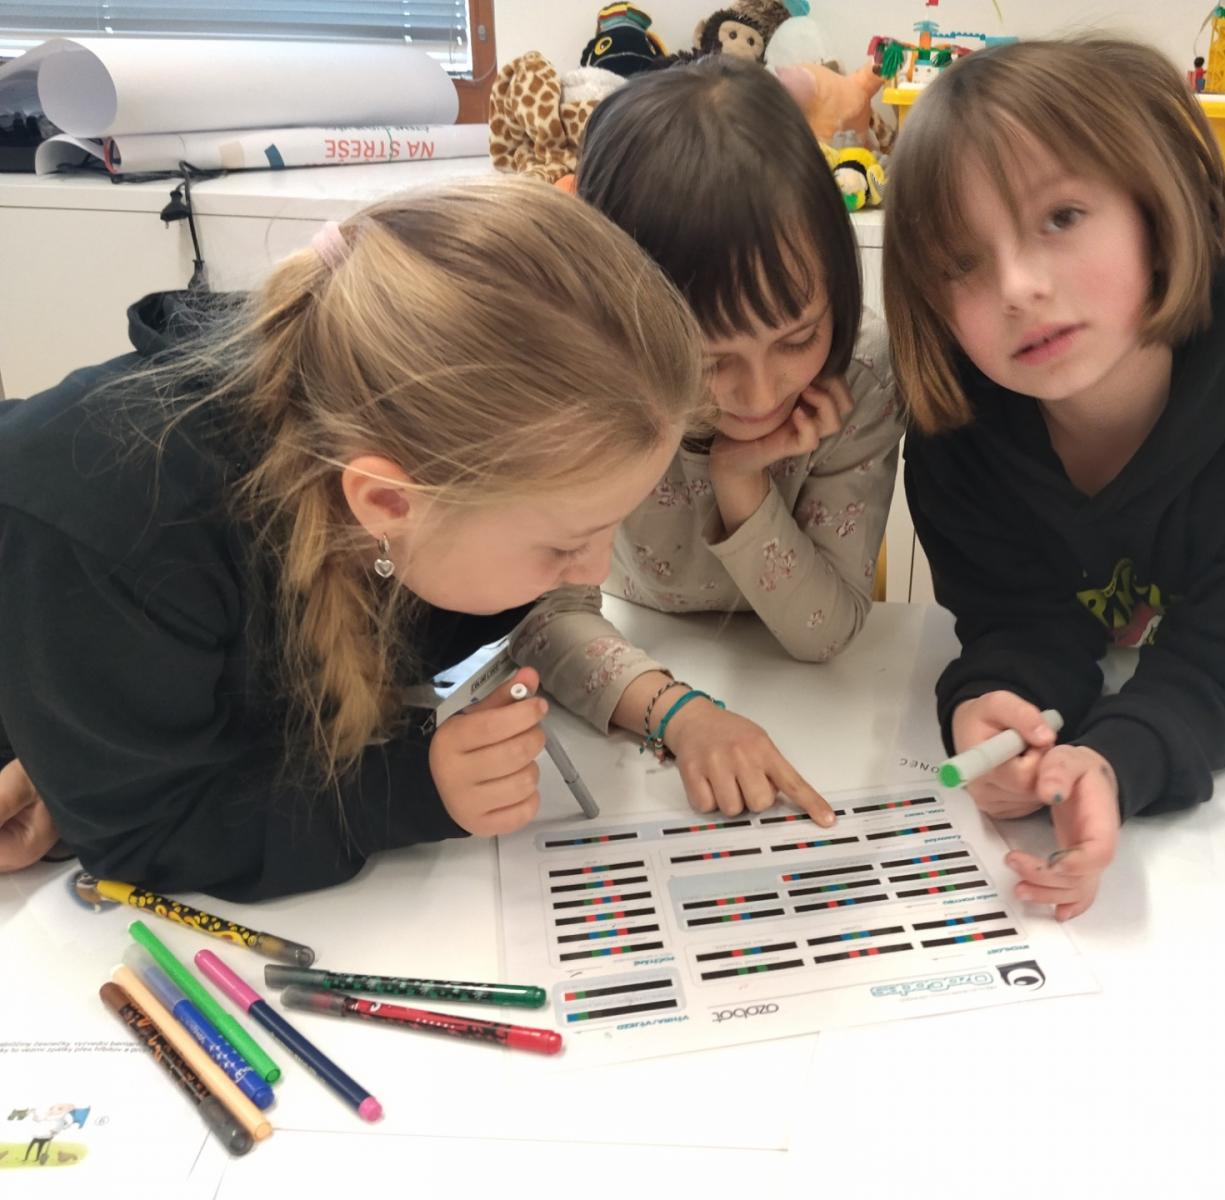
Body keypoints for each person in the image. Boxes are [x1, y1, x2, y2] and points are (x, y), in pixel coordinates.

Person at [0, 176, 706, 899]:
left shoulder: (378, 444)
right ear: (386, 502)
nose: (594, 570)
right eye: (564, 546)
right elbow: (151, 831)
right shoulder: (120, 533)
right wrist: (408, 791)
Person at [883, 38, 1225, 918]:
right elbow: (1019, 614)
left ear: (1154, 210)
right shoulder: (958, 438)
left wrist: (1120, 759)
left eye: (1061, 217)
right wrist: (995, 699)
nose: (1017, 286)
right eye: (961, 262)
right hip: (1125, 579)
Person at [515, 57, 902, 824]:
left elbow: (825, 633)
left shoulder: (859, 369)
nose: (759, 396)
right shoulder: (579, 371)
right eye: (709, 362)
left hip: (811, 688)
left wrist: (741, 478)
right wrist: (681, 715)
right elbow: (539, 614)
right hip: (629, 637)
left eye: (798, 338)